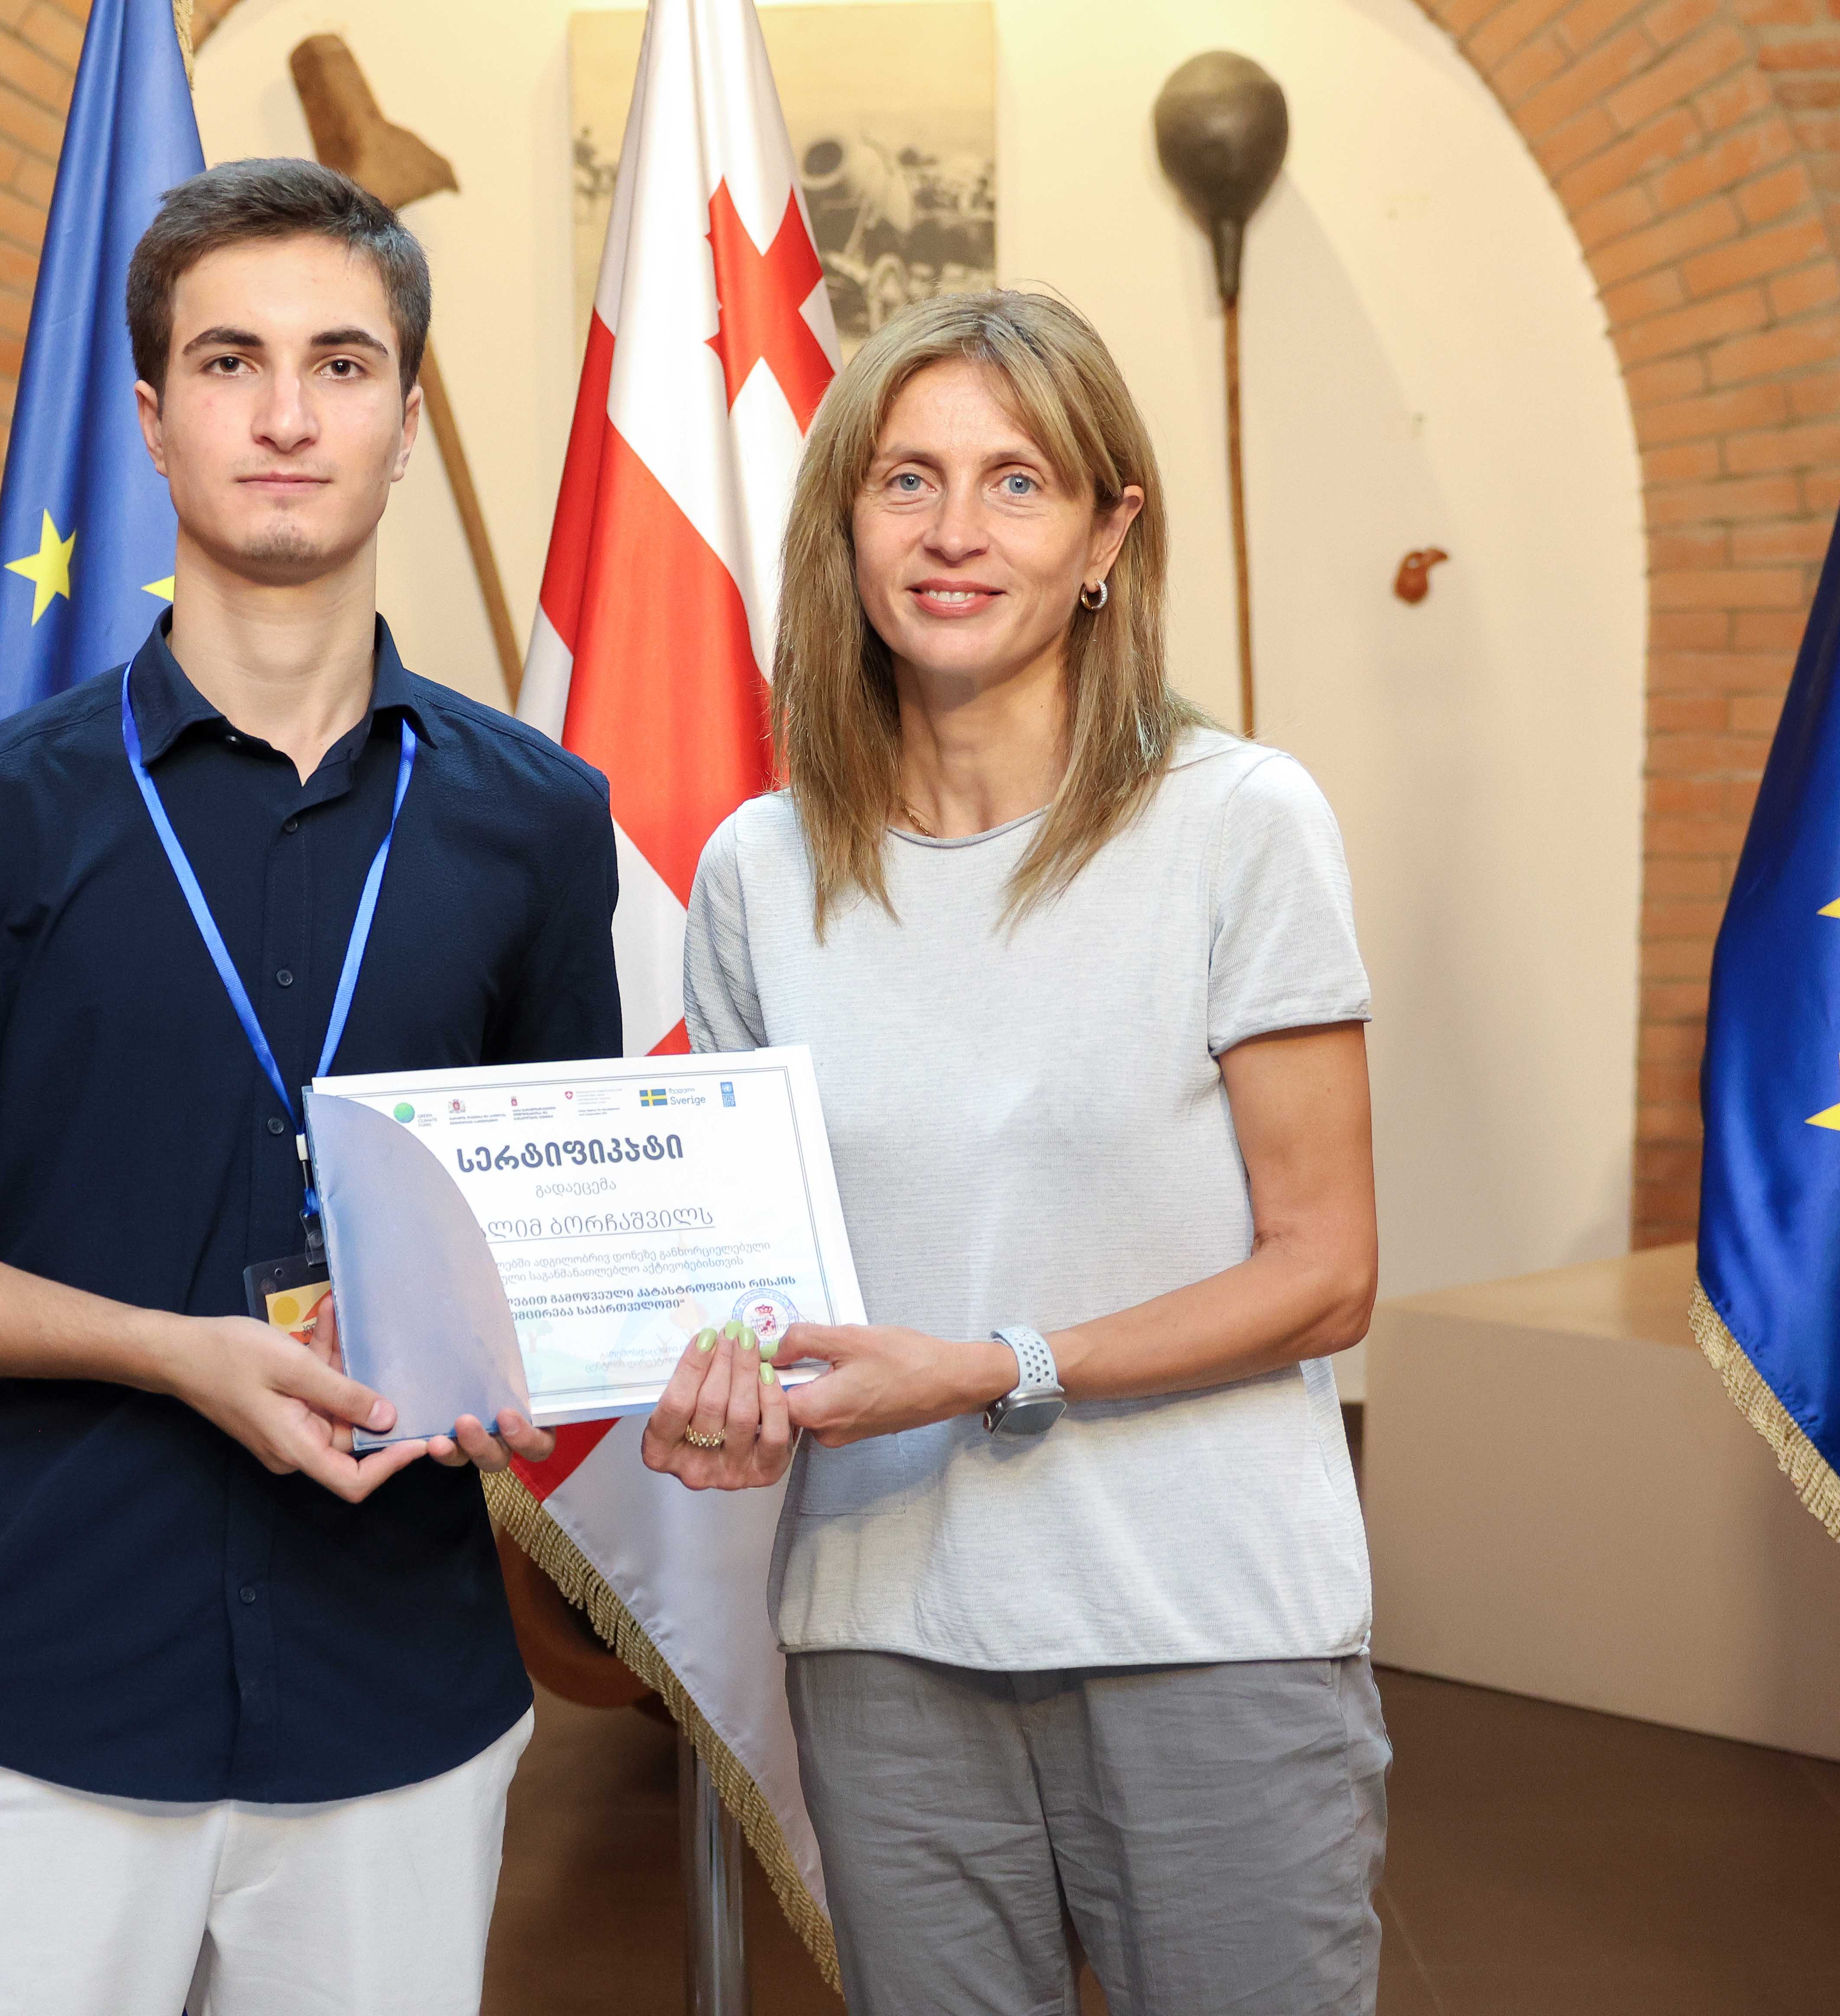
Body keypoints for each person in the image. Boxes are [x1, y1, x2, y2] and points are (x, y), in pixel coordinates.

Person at [0, 159, 622, 2016]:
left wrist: (567, 1351)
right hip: (37, 1693)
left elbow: (552, 1227)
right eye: (232, 362)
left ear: (407, 420)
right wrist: (168, 1351)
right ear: (152, 420)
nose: (289, 414)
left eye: (343, 364)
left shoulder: (541, 824)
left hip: (398, 1702)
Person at [643, 289, 1388, 2015]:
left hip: (1208, 1628)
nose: (955, 531)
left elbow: (1328, 1273)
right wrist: (711, 1380)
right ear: (847, 522)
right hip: (882, 1637)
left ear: (1106, 534)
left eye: (1018, 482)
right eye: (908, 480)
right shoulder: (760, 869)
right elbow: (754, 1279)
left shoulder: (1239, 822)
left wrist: (997, 1367)